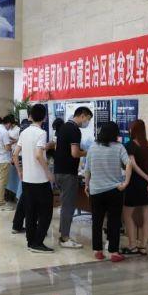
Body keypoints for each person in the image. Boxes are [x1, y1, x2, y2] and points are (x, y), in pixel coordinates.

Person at [85, 121, 132, 262]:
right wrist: (126, 182)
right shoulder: (119, 147)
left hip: (96, 190)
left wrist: (87, 185)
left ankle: (98, 250)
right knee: (114, 221)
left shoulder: (93, 147)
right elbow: (129, 164)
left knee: (97, 221)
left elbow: (87, 169)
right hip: (114, 190)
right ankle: (114, 252)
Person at [12, 103, 54, 253]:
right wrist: (48, 172)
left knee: (30, 212)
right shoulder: (41, 133)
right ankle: (38, 242)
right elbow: (38, 155)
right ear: (44, 117)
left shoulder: (24, 132)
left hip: (27, 180)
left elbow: (15, 154)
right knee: (46, 212)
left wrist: (19, 171)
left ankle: (31, 242)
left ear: (30, 116)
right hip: (40, 180)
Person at [53, 106, 93, 249]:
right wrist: (88, 152)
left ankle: (63, 233)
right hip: (68, 173)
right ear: (82, 115)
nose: (87, 122)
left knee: (65, 205)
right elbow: (75, 153)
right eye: (87, 119)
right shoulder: (74, 130)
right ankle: (65, 238)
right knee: (68, 206)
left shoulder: (64, 127)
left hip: (58, 171)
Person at [122, 119, 148, 256]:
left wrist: (147, 178)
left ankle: (132, 245)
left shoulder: (129, 145)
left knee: (127, 214)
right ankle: (143, 246)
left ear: (132, 130)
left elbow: (133, 165)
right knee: (147, 215)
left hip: (134, 183)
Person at [0, 114, 17, 211]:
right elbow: (7, 148)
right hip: (4, 160)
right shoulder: (4, 132)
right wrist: (12, 145)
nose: (10, 128)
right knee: (2, 182)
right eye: (11, 126)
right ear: (9, 123)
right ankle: (1, 202)